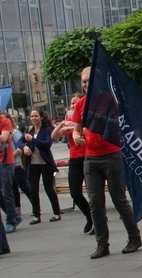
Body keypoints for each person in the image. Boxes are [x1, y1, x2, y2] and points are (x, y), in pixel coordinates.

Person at [72, 67, 142, 259]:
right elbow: (76, 129)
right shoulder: (81, 104)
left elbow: (120, 122)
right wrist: (77, 135)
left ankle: (134, 237)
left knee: (119, 199)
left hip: (112, 155)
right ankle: (102, 244)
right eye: (83, 81)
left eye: (89, 80)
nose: (86, 84)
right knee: (95, 203)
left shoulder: (110, 99)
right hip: (91, 158)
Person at [51, 93, 93, 234]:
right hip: (75, 159)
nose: (74, 105)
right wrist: (62, 124)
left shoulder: (88, 118)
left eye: (77, 102)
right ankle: (89, 216)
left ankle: (100, 219)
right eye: (72, 103)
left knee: (93, 192)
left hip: (89, 157)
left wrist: (70, 128)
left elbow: (88, 131)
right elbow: (54, 136)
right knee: (75, 192)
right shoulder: (70, 120)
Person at [21, 110, 60, 225]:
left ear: (41, 117)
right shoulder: (29, 130)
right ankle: (36, 215)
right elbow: (19, 142)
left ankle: (56, 213)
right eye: (32, 116)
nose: (33, 118)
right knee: (33, 189)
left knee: (49, 189)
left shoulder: (46, 129)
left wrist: (32, 140)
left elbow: (47, 144)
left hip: (45, 163)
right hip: (33, 164)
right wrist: (24, 147)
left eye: (36, 116)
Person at [0, 109, 20, 233]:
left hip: (7, 162)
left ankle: (11, 220)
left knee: (7, 191)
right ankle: (13, 215)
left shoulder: (5, 121)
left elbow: (3, 138)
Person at [9, 115, 31, 218]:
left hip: (17, 164)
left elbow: (21, 146)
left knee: (24, 186)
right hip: (9, 166)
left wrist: (11, 156)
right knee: (13, 188)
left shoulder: (14, 133)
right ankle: (17, 209)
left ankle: (35, 205)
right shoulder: (6, 134)